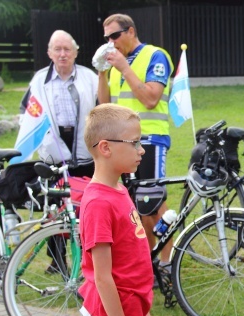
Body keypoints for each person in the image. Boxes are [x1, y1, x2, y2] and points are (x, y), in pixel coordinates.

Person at [78, 103, 158, 316]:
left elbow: (129, 264)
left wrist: (144, 312)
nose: (141, 150)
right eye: (135, 143)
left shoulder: (119, 188)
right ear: (106, 148)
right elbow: (103, 277)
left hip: (126, 314)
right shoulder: (99, 202)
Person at [95, 13, 174, 267]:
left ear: (131, 31)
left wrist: (124, 68)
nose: (111, 42)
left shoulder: (154, 55)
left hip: (149, 138)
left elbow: (151, 98)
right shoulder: (117, 64)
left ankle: (166, 261)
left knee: (151, 202)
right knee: (133, 205)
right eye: (107, 37)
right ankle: (146, 260)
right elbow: (104, 105)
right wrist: (101, 73)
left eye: (115, 35)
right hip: (122, 142)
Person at [20, 30, 98, 177]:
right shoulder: (39, 80)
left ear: (75, 52)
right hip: (52, 155)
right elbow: (26, 111)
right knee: (55, 198)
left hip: (85, 151)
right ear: (50, 53)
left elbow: (103, 109)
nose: (63, 54)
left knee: (85, 197)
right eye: (57, 49)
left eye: (67, 49)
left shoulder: (90, 78)